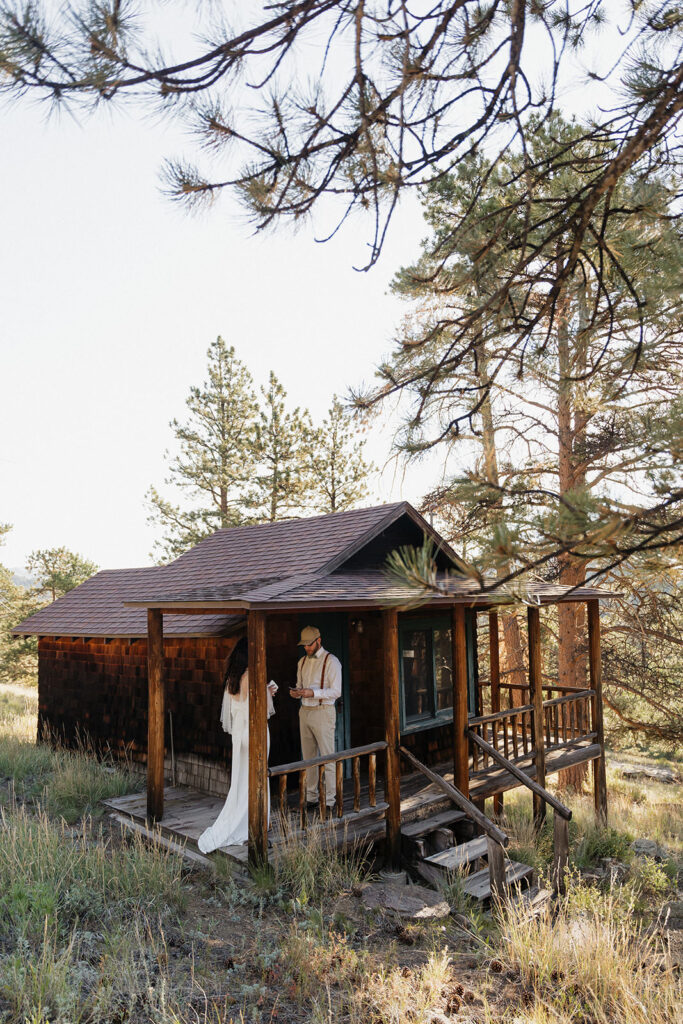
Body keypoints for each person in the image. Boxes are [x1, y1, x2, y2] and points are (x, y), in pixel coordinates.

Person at [198, 637, 277, 853]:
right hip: (255, 732)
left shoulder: (233, 678)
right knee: (258, 777)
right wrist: (268, 693)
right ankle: (257, 822)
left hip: (240, 734)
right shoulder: (252, 675)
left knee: (242, 779)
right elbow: (260, 710)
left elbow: (237, 707)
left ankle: (246, 818)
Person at [289, 626, 342, 809]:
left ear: (319, 641)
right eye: (304, 645)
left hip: (323, 711)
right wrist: (297, 693)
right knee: (308, 758)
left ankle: (329, 801)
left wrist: (313, 693)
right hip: (304, 712)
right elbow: (300, 685)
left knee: (327, 757)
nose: (307, 648)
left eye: (309, 645)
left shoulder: (332, 661)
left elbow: (337, 691)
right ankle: (311, 798)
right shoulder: (301, 662)